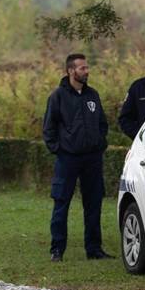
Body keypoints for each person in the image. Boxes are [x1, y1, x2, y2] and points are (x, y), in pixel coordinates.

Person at [42, 54, 112, 262]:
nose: (86, 71)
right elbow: (49, 129)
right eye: (82, 68)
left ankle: (94, 249)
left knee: (93, 204)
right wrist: (60, 150)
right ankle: (57, 249)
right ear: (71, 71)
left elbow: (102, 124)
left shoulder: (93, 95)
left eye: (87, 67)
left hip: (92, 159)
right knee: (61, 203)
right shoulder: (58, 97)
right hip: (68, 160)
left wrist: (100, 144)